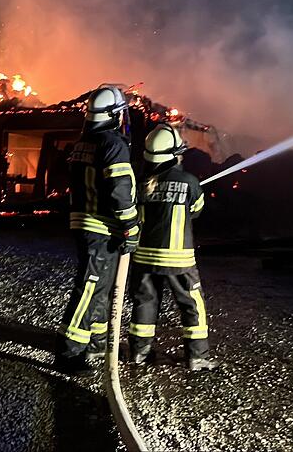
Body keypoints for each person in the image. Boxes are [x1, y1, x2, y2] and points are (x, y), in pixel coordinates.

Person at [56, 86, 140, 376]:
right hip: (100, 227)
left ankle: (96, 344)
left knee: (100, 290)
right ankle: (69, 352)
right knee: (90, 288)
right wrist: (130, 223)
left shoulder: (85, 141)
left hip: (85, 223)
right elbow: (119, 187)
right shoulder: (112, 143)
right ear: (114, 115)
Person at [129, 124, 218, 371]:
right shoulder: (189, 181)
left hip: (144, 256)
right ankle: (197, 357)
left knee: (145, 302)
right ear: (174, 153)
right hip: (179, 258)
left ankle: (139, 353)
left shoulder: (141, 181)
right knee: (191, 304)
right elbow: (197, 211)